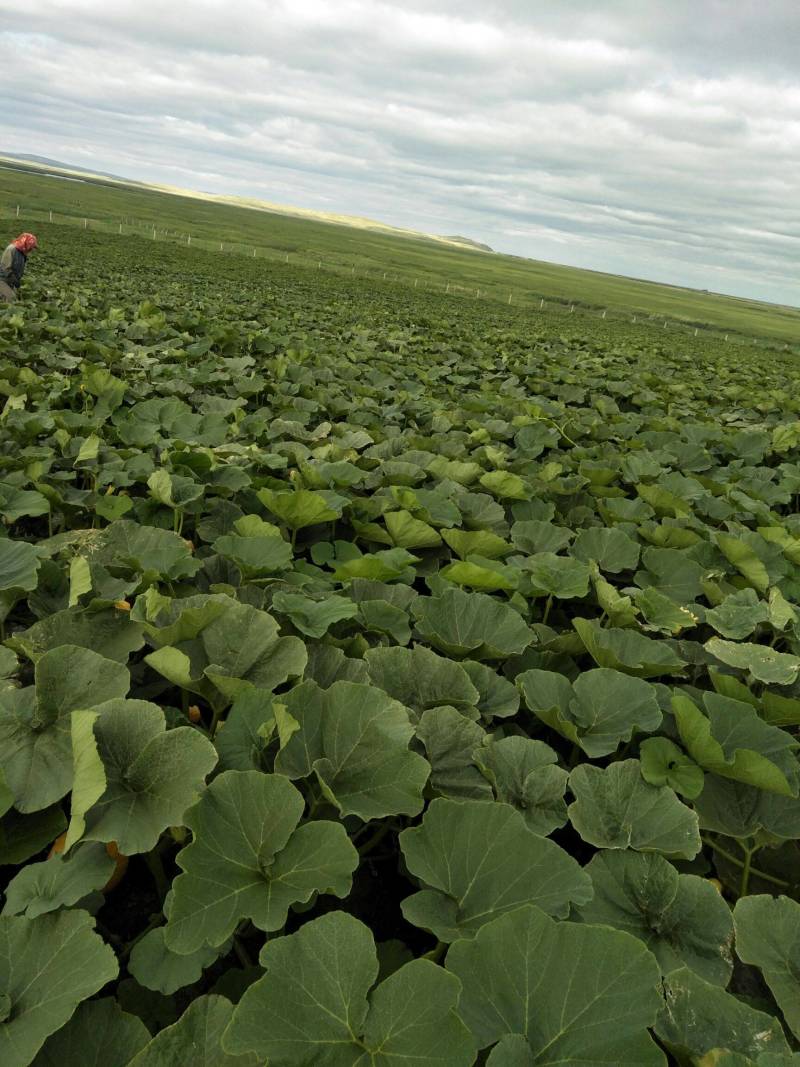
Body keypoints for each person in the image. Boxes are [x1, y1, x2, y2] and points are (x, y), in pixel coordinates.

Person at [0, 233, 38, 303]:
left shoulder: (22, 252)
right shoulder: (11, 249)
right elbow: (5, 268)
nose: (31, 249)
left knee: (17, 299)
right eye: (31, 247)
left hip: (11, 282)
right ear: (26, 243)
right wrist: (14, 280)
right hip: (2, 280)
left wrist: (16, 281)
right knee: (11, 299)